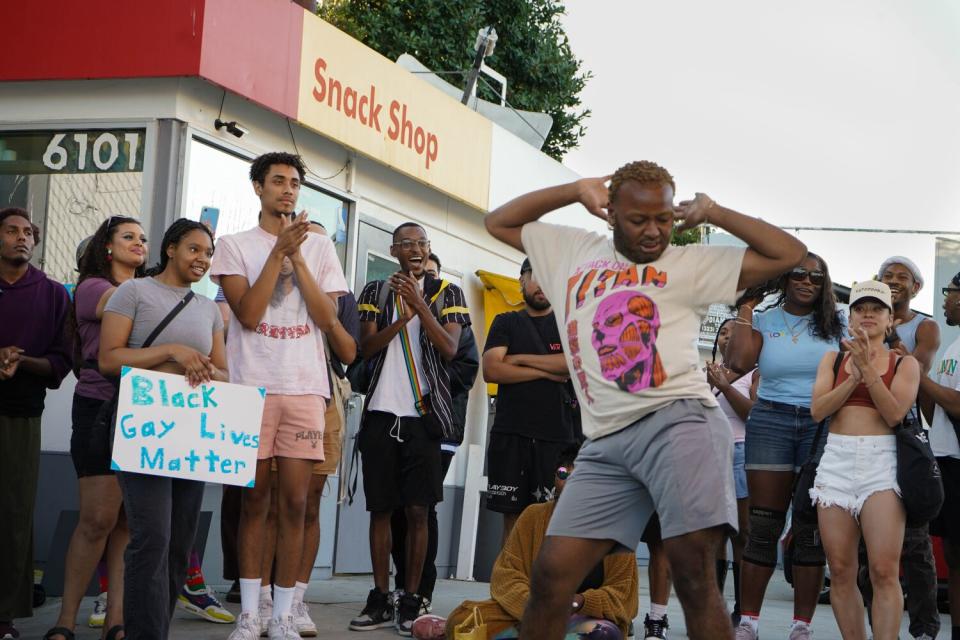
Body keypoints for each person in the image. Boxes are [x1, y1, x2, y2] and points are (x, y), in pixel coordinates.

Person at [484, 161, 806, 640]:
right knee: (551, 576)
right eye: (639, 220)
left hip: (679, 423)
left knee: (692, 572)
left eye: (664, 219)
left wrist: (715, 211)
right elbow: (498, 222)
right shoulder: (570, 250)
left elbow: (789, 252)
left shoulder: (687, 264)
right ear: (610, 213)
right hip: (604, 441)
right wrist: (575, 189)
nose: (654, 232)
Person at [214, 152, 348, 640]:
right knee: (254, 503)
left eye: (294, 183)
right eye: (278, 181)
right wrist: (276, 254)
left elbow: (327, 318)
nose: (288, 190)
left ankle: (284, 614)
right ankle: (251, 612)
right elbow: (248, 314)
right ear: (258, 188)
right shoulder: (232, 246)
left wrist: (298, 255)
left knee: (296, 504)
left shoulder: (320, 247)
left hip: (306, 387)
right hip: (251, 387)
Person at [98, 218, 227, 640]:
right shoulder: (133, 292)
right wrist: (171, 352)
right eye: (194, 249)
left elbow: (225, 374)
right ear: (170, 249)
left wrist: (204, 370)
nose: (202, 259)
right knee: (151, 537)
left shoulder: (209, 309)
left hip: (191, 438)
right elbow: (109, 360)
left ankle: (157, 630)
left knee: (178, 546)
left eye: (208, 253)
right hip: (144, 433)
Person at [349, 222, 471, 634]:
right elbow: (365, 348)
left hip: (425, 418)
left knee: (419, 510)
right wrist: (400, 320)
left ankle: (412, 599)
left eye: (422, 244)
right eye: (408, 244)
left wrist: (419, 305)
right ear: (394, 250)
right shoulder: (374, 291)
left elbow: (452, 349)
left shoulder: (448, 293)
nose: (416, 250)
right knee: (380, 510)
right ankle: (381, 597)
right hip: (381, 415)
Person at [725, 252, 847, 640]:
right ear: (783, 278)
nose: (807, 281)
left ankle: (801, 626)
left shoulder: (837, 320)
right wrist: (746, 305)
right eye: (798, 273)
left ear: (824, 283)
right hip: (772, 419)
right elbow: (739, 361)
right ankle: (749, 622)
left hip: (821, 421)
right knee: (763, 524)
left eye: (816, 276)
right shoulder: (763, 319)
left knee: (810, 527)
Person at [411, 444, 638, 640]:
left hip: (585, 619)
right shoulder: (533, 516)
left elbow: (622, 595)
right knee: (462, 619)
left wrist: (577, 601)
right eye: (562, 474)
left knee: (603, 634)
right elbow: (506, 576)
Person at [44, 217, 147, 640]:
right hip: (100, 405)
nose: (139, 243)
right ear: (106, 247)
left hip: (143, 406)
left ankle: (117, 620)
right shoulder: (93, 288)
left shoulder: (145, 289)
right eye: (129, 237)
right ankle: (65, 620)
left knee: (126, 521)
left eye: (143, 238)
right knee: (97, 519)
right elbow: (127, 306)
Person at [256, 220, 360, 636]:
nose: (305, 243)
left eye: (313, 238)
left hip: (321, 397)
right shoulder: (261, 274)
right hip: (268, 395)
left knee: (307, 504)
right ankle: (261, 600)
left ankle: (295, 601)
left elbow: (348, 349)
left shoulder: (336, 289)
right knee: (265, 503)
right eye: (297, 237)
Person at [809, 281, 919, 640]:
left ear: (891, 320)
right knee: (840, 569)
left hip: (881, 461)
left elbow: (893, 415)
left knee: (884, 570)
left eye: (877, 308)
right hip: (837, 458)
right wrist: (851, 377)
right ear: (850, 316)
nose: (867, 314)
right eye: (860, 308)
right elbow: (818, 411)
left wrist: (869, 373)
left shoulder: (905, 363)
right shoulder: (832, 358)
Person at [390, 252, 479, 615]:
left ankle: (421, 590)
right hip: (394, 424)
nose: (420, 279)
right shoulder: (391, 308)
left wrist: (432, 398)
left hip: (437, 428)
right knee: (394, 507)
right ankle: (399, 586)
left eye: (428, 274)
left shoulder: (454, 318)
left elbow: (465, 371)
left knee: (423, 510)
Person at [859, 256, 941, 640]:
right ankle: (881, 626)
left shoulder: (924, 326)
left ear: (916, 288)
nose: (893, 281)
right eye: (886, 276)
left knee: (916, 545)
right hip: (860, 442)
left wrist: (887, 335)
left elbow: (917, 370)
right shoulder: (862, 322)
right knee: (868, 551)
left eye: (901, 278)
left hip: (905, 441)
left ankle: (924, 628)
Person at [0, 207, 73, 640]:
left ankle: (4, 615)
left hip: (21, 413)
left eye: (28, 232)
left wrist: (21, 360)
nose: (21, 238)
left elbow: (62, 361)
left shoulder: (51, 294)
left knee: (12, 512)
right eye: (11, 231)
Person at [482, 257, 578, 544]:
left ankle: (542, 590)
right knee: (512, 519)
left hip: (557, 439)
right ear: (522, 280)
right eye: (535, 275)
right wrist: (546, 371)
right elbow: (491, 369)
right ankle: (509, 587)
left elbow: (571, 365)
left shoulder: (568, 325)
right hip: (510, 435)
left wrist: (521, 359)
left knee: (551, 520)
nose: (542, 284)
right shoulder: (506, 322)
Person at [706, 319, 758, 627]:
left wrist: (725, 386)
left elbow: (753, 413)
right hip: (709, 456)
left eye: (735, 334)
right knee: (713, 534)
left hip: (740, 452)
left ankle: (742, 608)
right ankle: (713, 609)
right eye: (723, 333)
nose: (728, 338)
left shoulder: (755, 373)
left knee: (742, 533)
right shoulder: (705, 373)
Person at [919, 272, 960, 640]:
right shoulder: (953, 346)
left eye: (950, 293)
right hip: (947, 457)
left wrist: (920, 378)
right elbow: (936, 414)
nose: (945, 299)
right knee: (954, 554)